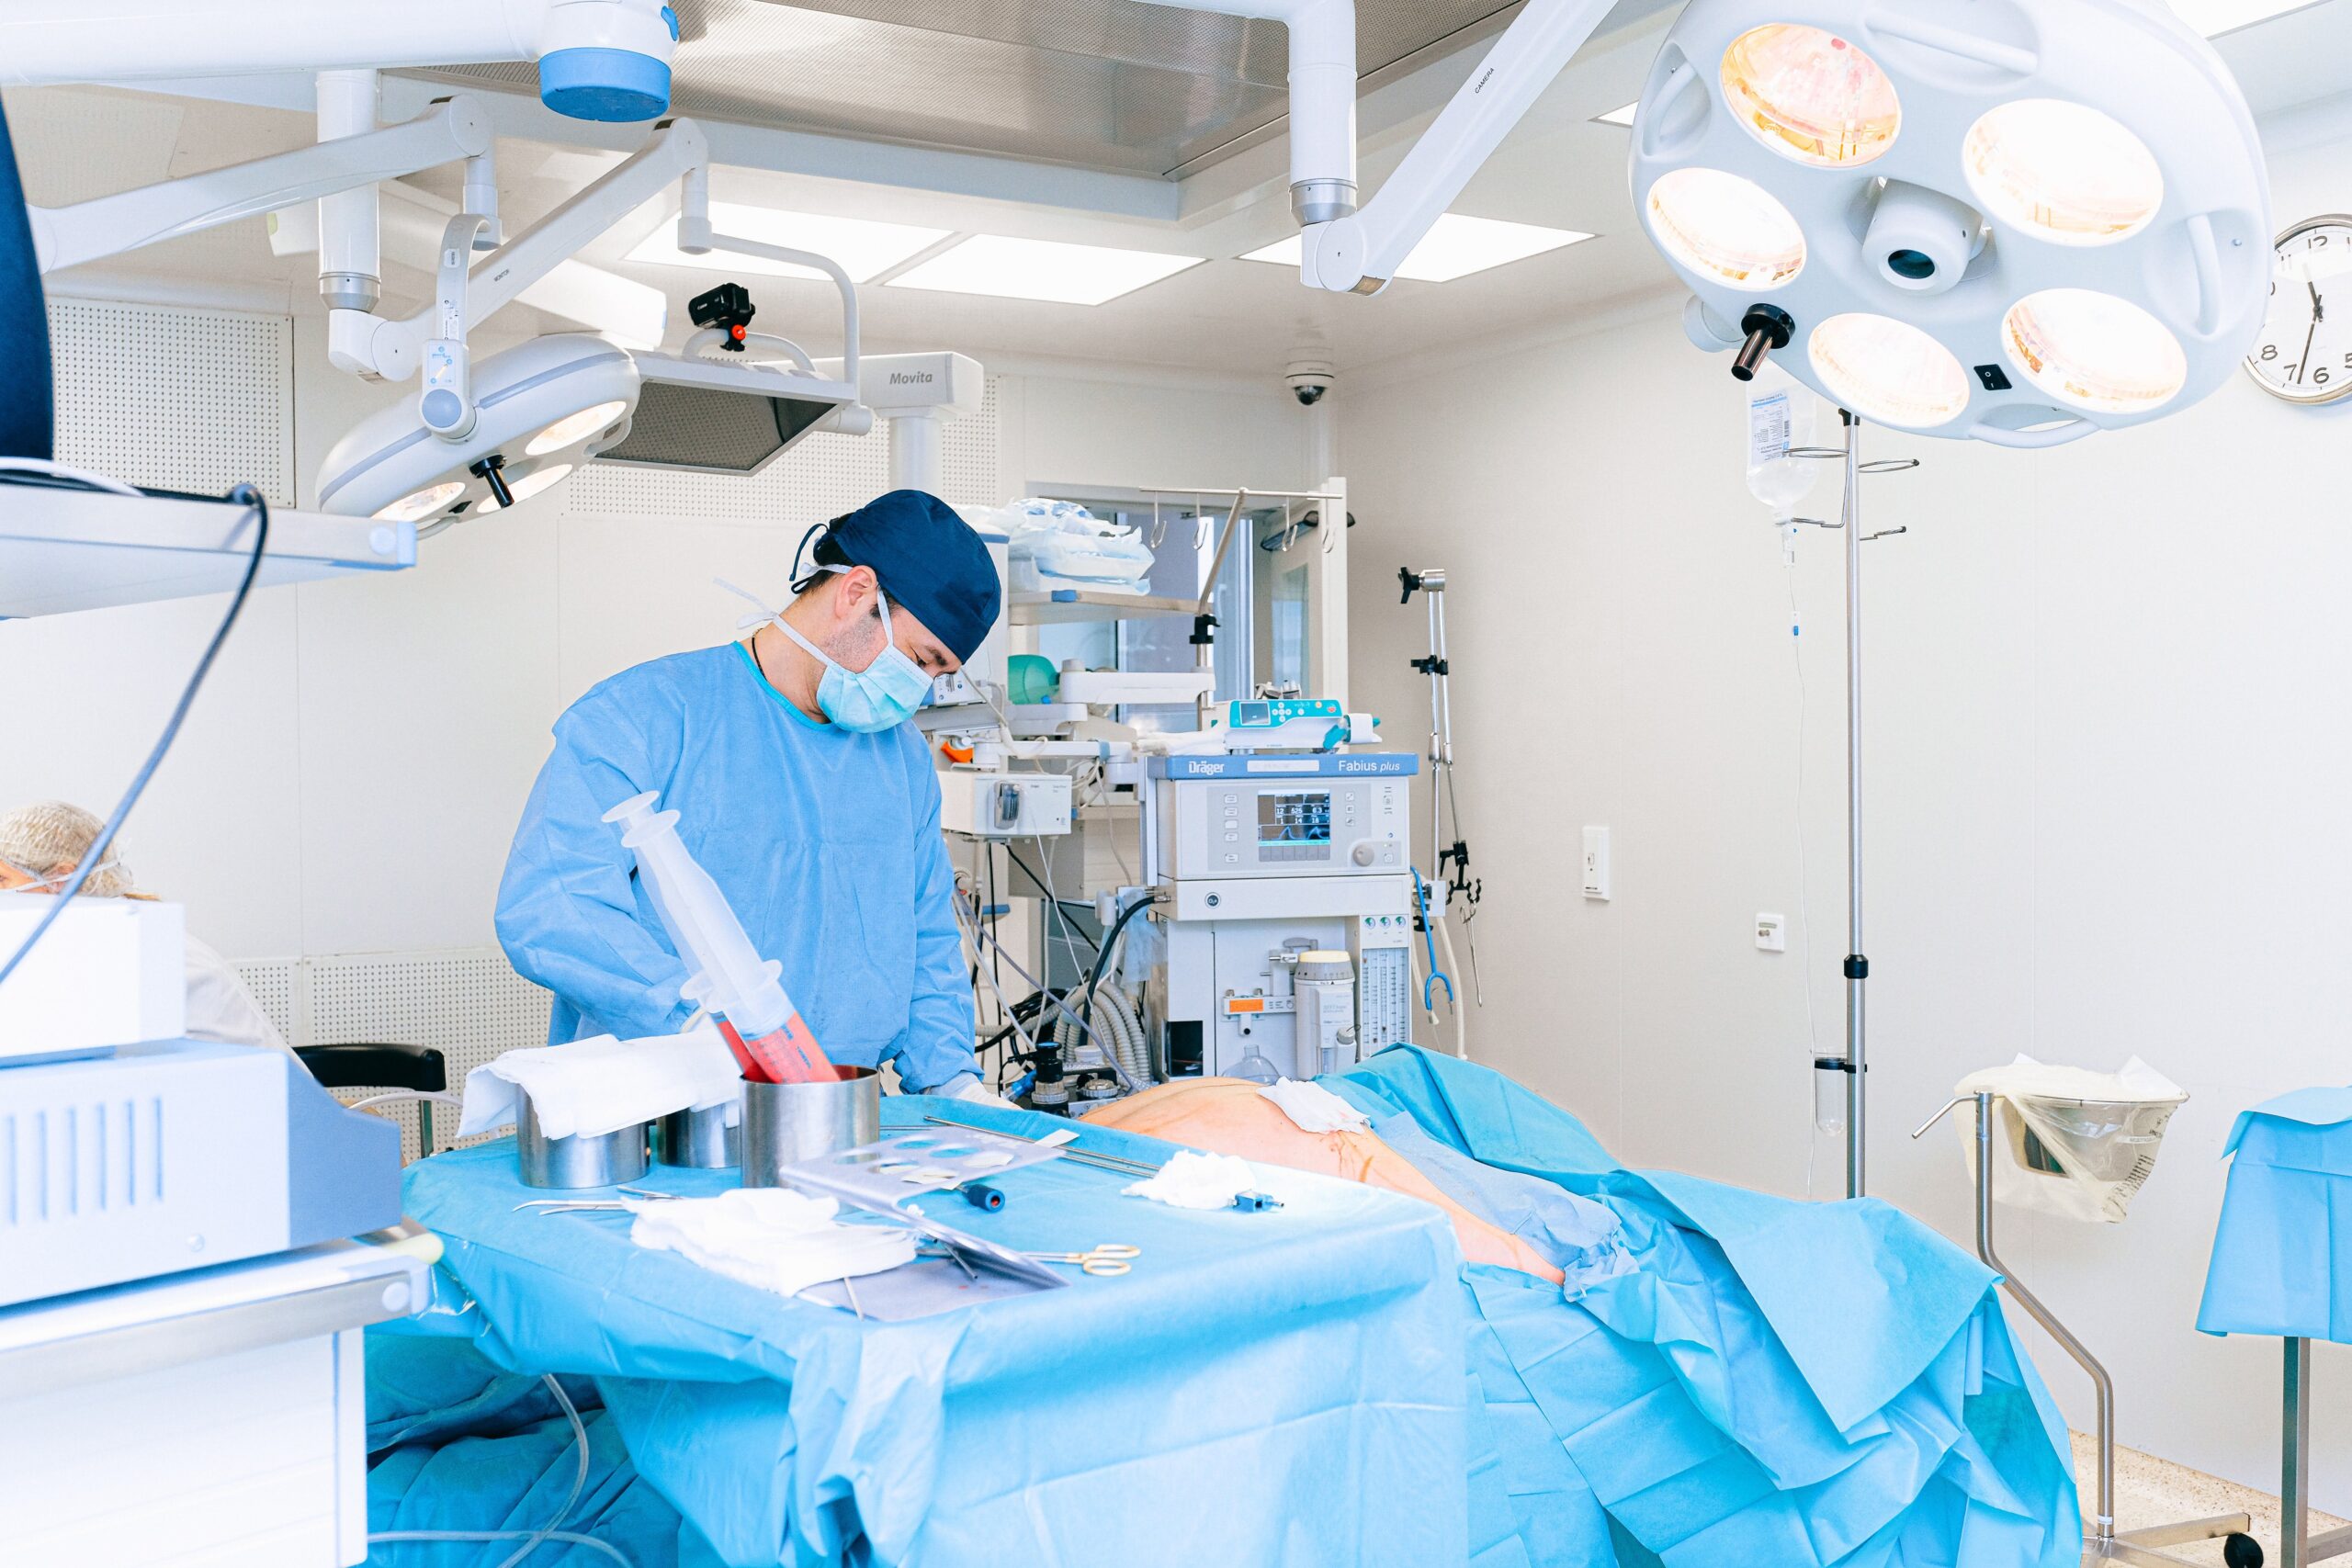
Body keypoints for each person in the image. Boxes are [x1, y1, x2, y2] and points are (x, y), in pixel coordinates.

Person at [496, 489, 1002, 1100]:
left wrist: (953, 1082)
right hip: (664, 1111)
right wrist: (689, 1028)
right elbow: (553, 909)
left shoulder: (902, 763)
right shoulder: (645, 715)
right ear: (857, 592)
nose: (919, 692)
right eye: (922, 661)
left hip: (835, 1115)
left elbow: (926, 939)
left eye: (939, 676)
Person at [0, 799, 291, 1055]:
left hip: (263, 1104)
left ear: (61, 879)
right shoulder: (96, 933)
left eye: (2, 880)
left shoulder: (133, 948)